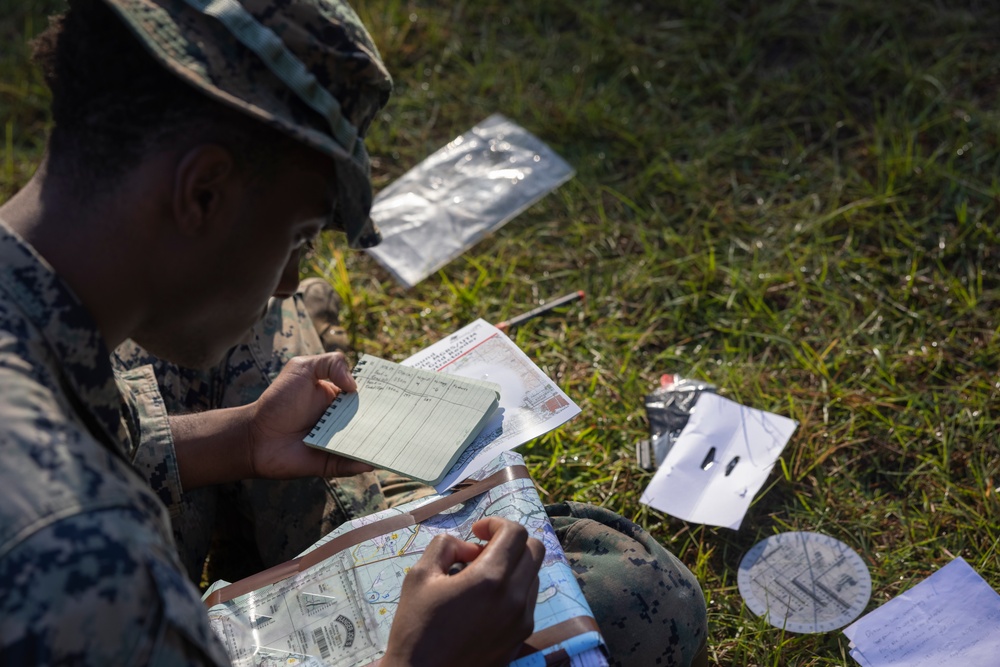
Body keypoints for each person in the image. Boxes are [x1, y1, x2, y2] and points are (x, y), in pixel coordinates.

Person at [0, 0, 708, 665]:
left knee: (252, 315)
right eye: (300, 237)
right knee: (636, 597)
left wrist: (242, 437)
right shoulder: (92, 557)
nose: (288, 278)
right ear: (203, 192)